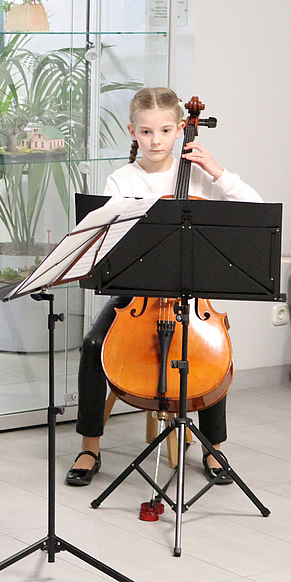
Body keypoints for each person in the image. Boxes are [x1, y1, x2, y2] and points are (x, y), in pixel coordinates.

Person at [65, 87, 262, 487]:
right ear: (132, 132)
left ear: (179, 132)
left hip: (191, 292)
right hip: (135, 293)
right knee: (91, 345)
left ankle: (213, 447)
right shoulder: (121, 179)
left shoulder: (201, 176)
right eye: (146, 131)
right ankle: (89, 445)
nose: (155, 140)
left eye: (165, 130)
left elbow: (255, 209)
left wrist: (217, 171)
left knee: (212, 350)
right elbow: (106, 243)